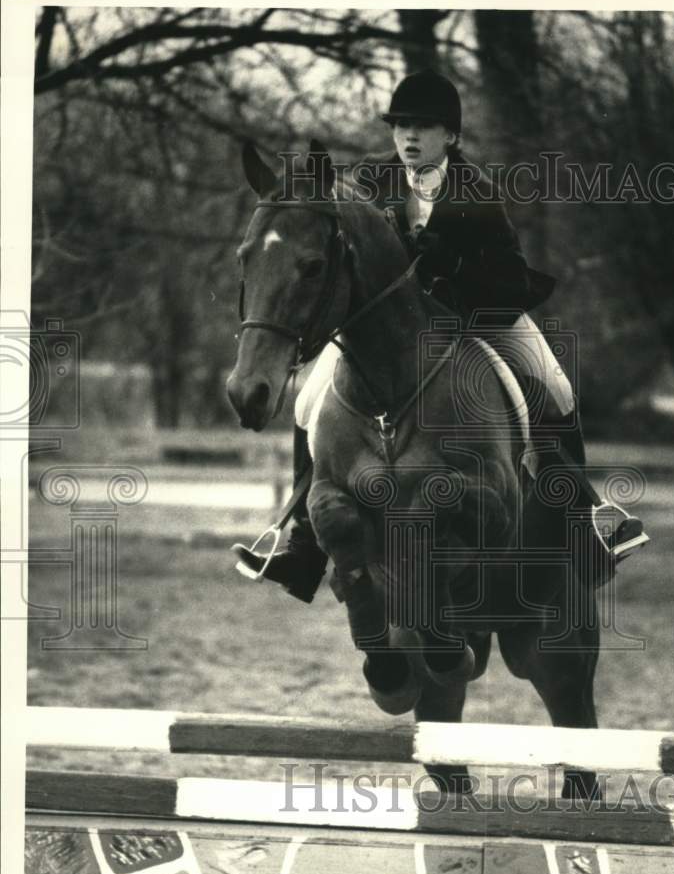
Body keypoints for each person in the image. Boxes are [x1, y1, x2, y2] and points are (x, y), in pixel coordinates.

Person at [236, 69, 646, 602]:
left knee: (556, 387)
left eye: (424, 127)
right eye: (401, 125)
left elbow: (511, 278)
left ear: (450, 136)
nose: (409, 137)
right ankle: (301, 543)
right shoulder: (368, 183)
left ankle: (586, 524)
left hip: (478, 319)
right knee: (308, 403)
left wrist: (451, 264)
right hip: (393, 334)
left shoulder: (476, 193)